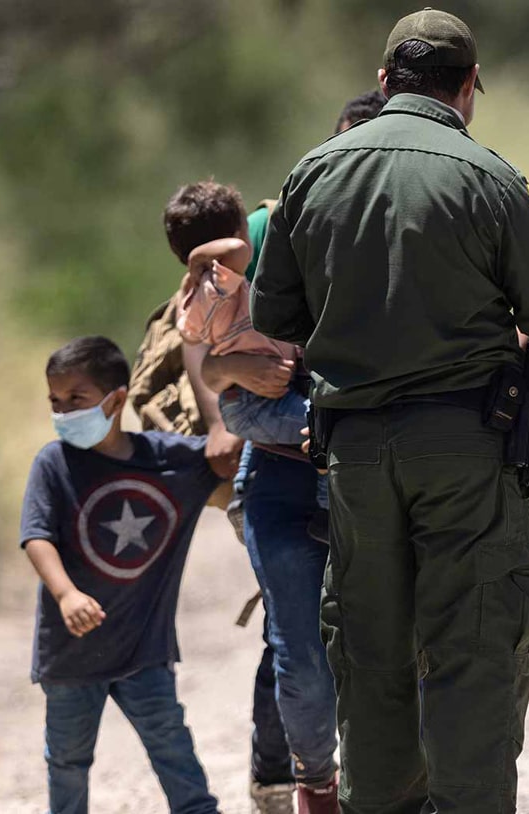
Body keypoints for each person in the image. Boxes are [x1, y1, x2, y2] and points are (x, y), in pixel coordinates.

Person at [249, 9, 529, 811]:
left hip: (355, 452)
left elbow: (274, 316)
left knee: (371, 652)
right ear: (469, 85)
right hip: (465, 445)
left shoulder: (314, 171)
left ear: (383, 81)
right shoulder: (489, 175)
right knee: (474, 645)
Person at [166, 178, 336, 814]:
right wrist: (224, 392)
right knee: (295, 643)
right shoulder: (261, 238)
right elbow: (201, 350)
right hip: (280, 467)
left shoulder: (326, 229)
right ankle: (292, 779)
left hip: (328, 459)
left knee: (336, 636)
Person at [20, 337, 221, 814]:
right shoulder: (53, 464)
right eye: (55, 400)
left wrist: (224, 429)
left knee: (171, 744)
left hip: (143, 650)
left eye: (77, 398)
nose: (63, 411)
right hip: (70, 656)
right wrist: (66, 594)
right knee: (67, 761)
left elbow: (227, 459)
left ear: (116, 400)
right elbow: (36, 536)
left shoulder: (167, 460)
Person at [172, 182, 330, 543]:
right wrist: (200, 257)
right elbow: (237, 251)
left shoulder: (208, 289)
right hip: (252, 402)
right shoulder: (215, 288)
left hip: (259, 398)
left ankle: (243, 490)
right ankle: (326, 512)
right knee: (329, 424)